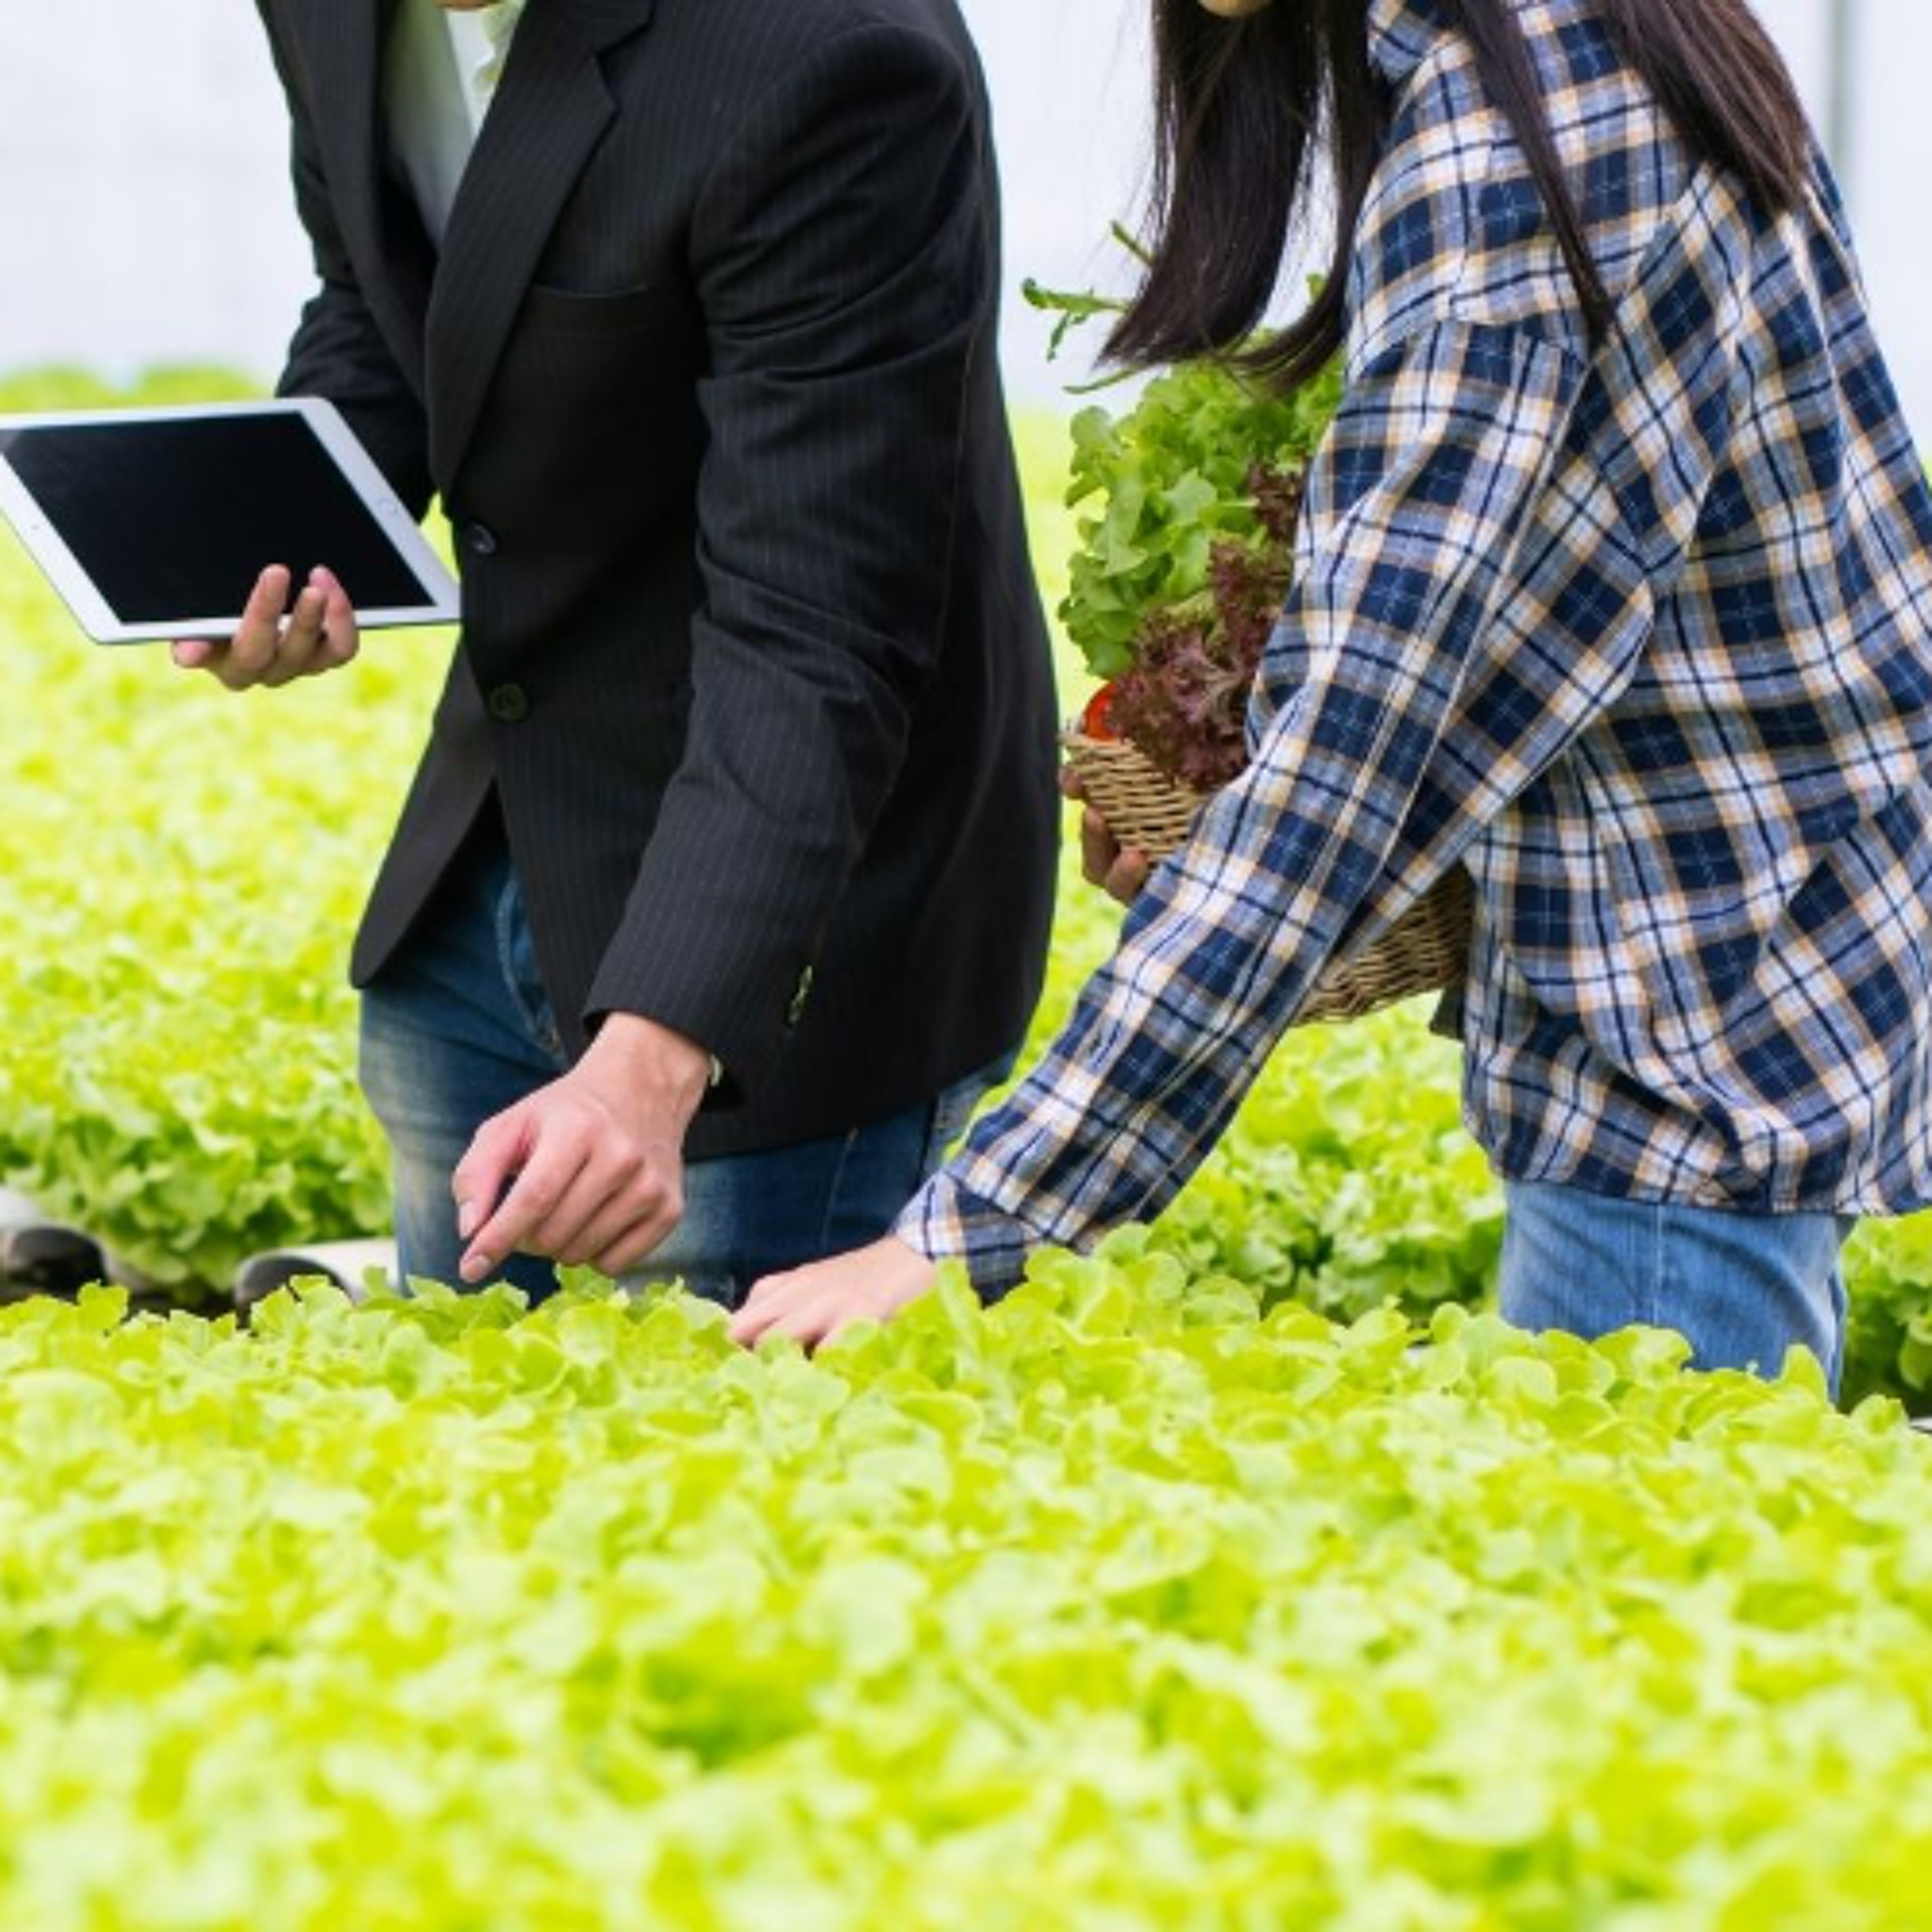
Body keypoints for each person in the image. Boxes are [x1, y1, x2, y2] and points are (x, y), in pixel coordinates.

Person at [732, 0, 1932, 1397]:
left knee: (1629, 1580)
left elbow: (1342, 775)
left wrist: (964, 1237)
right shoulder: (1596, 46)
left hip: (1672, 1102)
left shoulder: (1518, 166)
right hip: (1754, 993)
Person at [178, 0, 1059, 1303]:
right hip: (492, 856)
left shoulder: (829, 54)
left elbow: (815, 625)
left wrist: (656, 1053)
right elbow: (388, 291)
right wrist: (304, 531)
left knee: (732, 1485)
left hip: (784, 921)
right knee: (448, 1465)